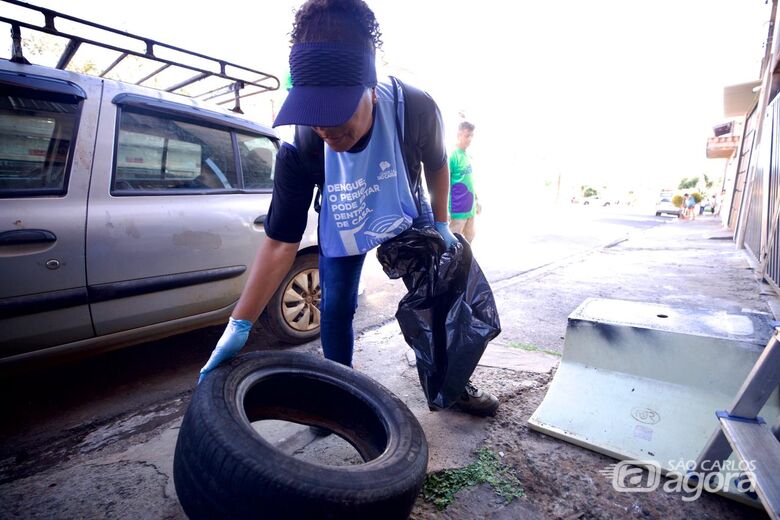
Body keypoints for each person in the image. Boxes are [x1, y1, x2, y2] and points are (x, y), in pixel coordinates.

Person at [198, 0, 499, 417]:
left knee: (441, 292)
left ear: (371, 90)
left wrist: (444, 223)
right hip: (345, 215)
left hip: (405, 207)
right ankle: (339, 396)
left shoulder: (416, 107)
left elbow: (436, 164)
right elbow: (279, 244)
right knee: (336, 307)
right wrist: (239, 324)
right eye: (315, 114)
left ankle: (451, 381)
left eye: (337, 112)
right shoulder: (301, 144)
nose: (325, 128)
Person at [448, 121, 479, 242]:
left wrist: (477, 200)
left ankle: (467, 261)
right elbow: (444, 185)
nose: (470, 139)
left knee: (469, 239)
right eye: (467, 135)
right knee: (455, 243)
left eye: (472, 135)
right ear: (458, 135)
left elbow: (470, 181)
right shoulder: (452, 156)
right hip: (457, 211)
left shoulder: (468, 155)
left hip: (470, 209)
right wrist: (445, 210)